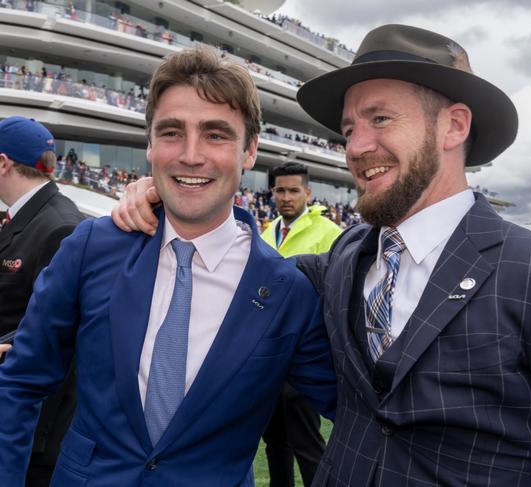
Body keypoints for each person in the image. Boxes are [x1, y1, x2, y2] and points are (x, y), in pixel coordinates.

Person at [111, 25, 531, 486]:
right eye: (349, 128)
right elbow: (246, 263)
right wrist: (177, 194)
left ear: (453, 126)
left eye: (380, 120)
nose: (356, 145)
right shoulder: (346, 256)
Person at [0, 45, 336, 487]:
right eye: (172, 132)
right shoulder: (92, 246)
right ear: (150, 143)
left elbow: (357, 410)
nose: (191, 155)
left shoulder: (285, 289)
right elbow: (21, 381)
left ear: (250, 151)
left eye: (216, 135)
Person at [0, 116, 84, 487]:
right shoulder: (24, 218)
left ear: (3, 163)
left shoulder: (60, 224)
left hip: (32, 427)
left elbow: (54, 328)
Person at [261, 162, 341, 487]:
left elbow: (337, 300)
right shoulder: (266, 232)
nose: (286, 196)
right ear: (272, 193)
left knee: (307, 445)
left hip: (305, 358)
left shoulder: (330, 233)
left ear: (308, 193)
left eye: (293, 190)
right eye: (280, 190)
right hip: (268, 360)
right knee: (274, 443)